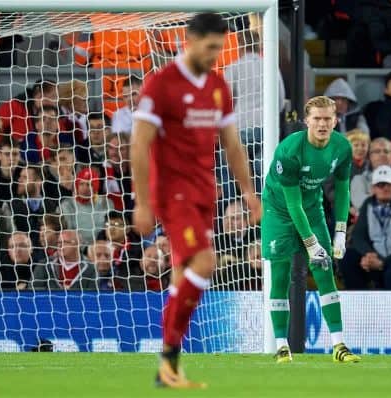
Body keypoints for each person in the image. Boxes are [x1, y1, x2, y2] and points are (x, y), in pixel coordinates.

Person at [130, 13, 261, 389]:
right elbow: (139, 145)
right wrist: (143, 202)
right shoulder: (162, 84)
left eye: (220, 49)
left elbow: (232, 144)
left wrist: (249, 191)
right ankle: (170, 355)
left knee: (182, 274)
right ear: (190, 40)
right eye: (210, 48)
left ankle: (167, 367)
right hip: (173, 192)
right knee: (205, 263)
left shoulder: (219, 85)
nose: (215, 55)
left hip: (206, 192)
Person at [261, 95, 360, 364]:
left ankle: (339, 345)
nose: (323, 123)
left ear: (336, 120)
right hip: (279, 210)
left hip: (312, 207)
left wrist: (340, 231)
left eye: (328, 118)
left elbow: (342, 190)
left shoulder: (342, 147)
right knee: (280, 274)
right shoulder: (290, 150)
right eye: (317, 118)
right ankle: (281, 345)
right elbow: (292, 205)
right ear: (306, 121)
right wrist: (311, 243)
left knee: (325, 270)